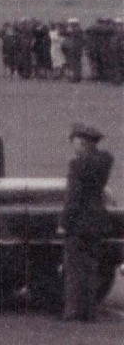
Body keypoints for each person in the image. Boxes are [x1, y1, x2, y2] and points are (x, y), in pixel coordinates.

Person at [59, 124, 116, 321]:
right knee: (91, 267)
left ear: (82, 142)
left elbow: (72, 197)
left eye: (75, 142)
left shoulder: (77, 164)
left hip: (79, 221)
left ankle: (74, 311)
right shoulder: (105, 160)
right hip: (97, 219)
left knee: (74, 268)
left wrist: (64, 222)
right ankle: (89, 311)